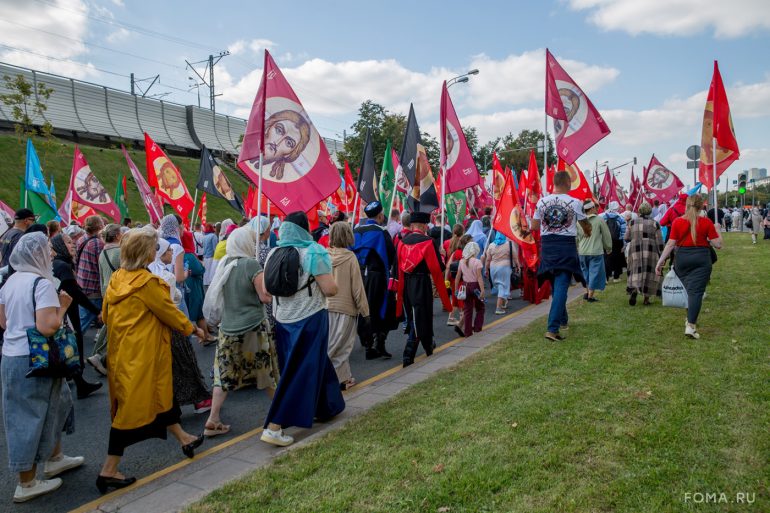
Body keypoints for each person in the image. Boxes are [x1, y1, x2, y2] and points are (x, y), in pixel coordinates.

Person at [98, 228, 207, 493]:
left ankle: (184, 438)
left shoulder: (116, 279)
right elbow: (170, 313)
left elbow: (105, 316)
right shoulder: (147, 283)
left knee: (160, 397)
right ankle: (108, 471)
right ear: (146, 252)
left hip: (124, 352)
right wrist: (195, 329)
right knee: (130, 413)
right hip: (144, 354)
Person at [0, 232, 83, 502]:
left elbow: (3, 321)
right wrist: (63, 306)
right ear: (35, 253)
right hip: (35, 357)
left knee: (56, 403)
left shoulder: (10, 281)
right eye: (47, 249)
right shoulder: (42, 284)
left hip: (14, 354)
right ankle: (26, 482)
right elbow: (48, 326)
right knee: (29, 417)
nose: (51, 253)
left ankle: (54, 456)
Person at [262, 212, 344, 445]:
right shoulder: (313, 251)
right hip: (310, 317)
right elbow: (330, 289)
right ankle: (274, 425)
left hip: (283, 319)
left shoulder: (273, 253)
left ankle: (328, 406)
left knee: (308, 364)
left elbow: (267, 290)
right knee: (300, 371)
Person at [203, 227, 280, 438]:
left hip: (227, 329)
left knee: (223, 375)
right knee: (266, 374)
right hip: (252, 327)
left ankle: (213, 419)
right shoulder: (251, 264)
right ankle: (280, 415)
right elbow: (265, 296)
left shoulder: (225, 264)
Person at [149, 239, 211, 414]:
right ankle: (200, 401)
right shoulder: (164, 276)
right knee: (186, 364)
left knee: (166, 370)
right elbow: (170, 308)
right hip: (172, 327)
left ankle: (167, 406)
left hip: (154, 330)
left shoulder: (146, 272)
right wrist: (191, 328)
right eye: (168, 250)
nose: (171, 253)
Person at [531, 171, 591, 341]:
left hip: (548, 247)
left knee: (557, 287)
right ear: (567, 183)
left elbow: (534, 226)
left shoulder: (542, 201)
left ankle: (563, 320)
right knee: (562, 287)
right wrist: (587, 232)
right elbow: (586, 226)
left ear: (554, 184)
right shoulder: (575, 202)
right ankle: (552, 329)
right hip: (566, 247)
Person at [656, 195, 722, 339]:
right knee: (695, 292)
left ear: (687, 205)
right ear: (701, 206)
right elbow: (718, 244)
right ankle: (691, 325)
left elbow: (670, 244)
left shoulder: (677, 222)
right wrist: (718, 230)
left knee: (688, 290)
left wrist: (660, 261)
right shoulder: (706, 222)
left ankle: (689, 319)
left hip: (682, 258)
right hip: (701, 258)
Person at [396, 211, 451, 367]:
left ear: (413, 225)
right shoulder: (428, 241)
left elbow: (398, 266)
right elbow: (437, 268)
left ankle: (428, 346)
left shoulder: (402, 242)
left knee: (416, 315)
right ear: (424, 225)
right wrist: (442, 255)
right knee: (421, 316)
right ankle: (409, 353)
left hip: (407, 283)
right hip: (422, 282)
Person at [50, 233, 103, 398]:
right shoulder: (63, 266)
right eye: (68, 242)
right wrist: (96, 312)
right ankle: (79, 382)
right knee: (73, 342)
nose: (73, 244)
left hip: (66, 310)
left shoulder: (61, 263)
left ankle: (80, 383)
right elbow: (75, 293)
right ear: (59, 246)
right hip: (67, 311)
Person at [327, 222, 369, 389]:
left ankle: (344, 378)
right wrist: (365, 312)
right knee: (341, 348)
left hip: (326, 306)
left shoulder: (324, 254)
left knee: (333, 344)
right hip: (346, 308)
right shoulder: (350, 257)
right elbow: (357, 288)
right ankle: (331, 380)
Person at [352, 201, 396, 359]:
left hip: (357, 275)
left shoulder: (355, 230)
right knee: (381, 308)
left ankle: (367, 345)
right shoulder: (382, 232)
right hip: (376, 276)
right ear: (380, 215)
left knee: (362, 309)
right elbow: (391, 256)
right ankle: (379, 343)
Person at [89, 224, 122, 375]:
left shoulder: (103, 253)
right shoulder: (120, 252)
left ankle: (98, 355)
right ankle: (100, 356)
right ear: (116, 236)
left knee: (109, 325)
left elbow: (102, 276)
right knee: (116, 327)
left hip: (107, 292)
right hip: (118, 292)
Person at [625, 202, 664, 306]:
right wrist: (662, 254)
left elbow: (626, 237)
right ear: (650, 211)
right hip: (650, 250)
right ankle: (646, 299)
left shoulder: (632, 223)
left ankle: (634, 290)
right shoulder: (654, 223)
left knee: (635, 270)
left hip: (635, 249)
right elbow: (659, 241)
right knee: (649, 272)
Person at [182, 231, 216, 344]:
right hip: (193, 286)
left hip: (186, 284)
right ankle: (205, 336)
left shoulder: (179, 253)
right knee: (198, 312)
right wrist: (201, 265)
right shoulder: (189, 255)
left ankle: (205, 333)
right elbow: (199, 270)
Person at [75, 215, 105, 332]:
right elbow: (101, 264)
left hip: (82, 284)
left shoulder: (81, 239)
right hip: (93, 288)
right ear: (99, 226)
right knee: (82, 324)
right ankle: (70, 346)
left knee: (81, 321)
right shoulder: (97, 243)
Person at [578, 200, 612, 302]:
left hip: (582, 251)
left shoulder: (579, 221)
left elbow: (576, 237)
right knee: (594, 273)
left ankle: (587, 291)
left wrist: (577, 248)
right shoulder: (599, 220)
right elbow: (606, 235)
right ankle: (590, 296)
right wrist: (608, 247)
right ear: (592, 208)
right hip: (596, 251)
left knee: (586, 273)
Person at [454, 241, 485, 338]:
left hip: (465, 286)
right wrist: (483, 290)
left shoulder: (462, 261)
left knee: (468, 309)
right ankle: (477, 327)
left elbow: (458, 276)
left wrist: (456, 289)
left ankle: (467, 332)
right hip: (475, 286)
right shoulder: (477, 262)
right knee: (480, 307)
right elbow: (479, 277)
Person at [484, 232, 518, 315]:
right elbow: (515, 257)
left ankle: (503, 302)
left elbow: (488, 259)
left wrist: (486, 269)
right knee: (503, 285)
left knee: (499, 285)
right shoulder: (509, 244)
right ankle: (498, 307)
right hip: (505, 268)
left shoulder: (491, 245)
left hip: (493, 268)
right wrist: (518, 266)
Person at [0, 208, 37, 276]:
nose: (33, 223)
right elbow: (20, 260)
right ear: (26, 221)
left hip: (3, 274)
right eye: (32, 220)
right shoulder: (21, 236)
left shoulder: (7, 233)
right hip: (10, 276)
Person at [444, 226, 467, 324]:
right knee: (461, 296)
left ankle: (451, 317)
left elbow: (448, 263)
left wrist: (445, 279)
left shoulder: (446, 242)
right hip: (460, 272)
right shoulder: (462, 245)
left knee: (454, 296)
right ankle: (462, 321)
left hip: (450, 273)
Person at [601, 201, 627, 283]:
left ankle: (606, 278)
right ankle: (616, 277)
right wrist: (624, 244)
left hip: (605, 240)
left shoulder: (602, 216)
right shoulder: (621, 218)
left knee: (606, 258)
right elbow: (623, 232)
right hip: (617, 241)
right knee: (617, 258)